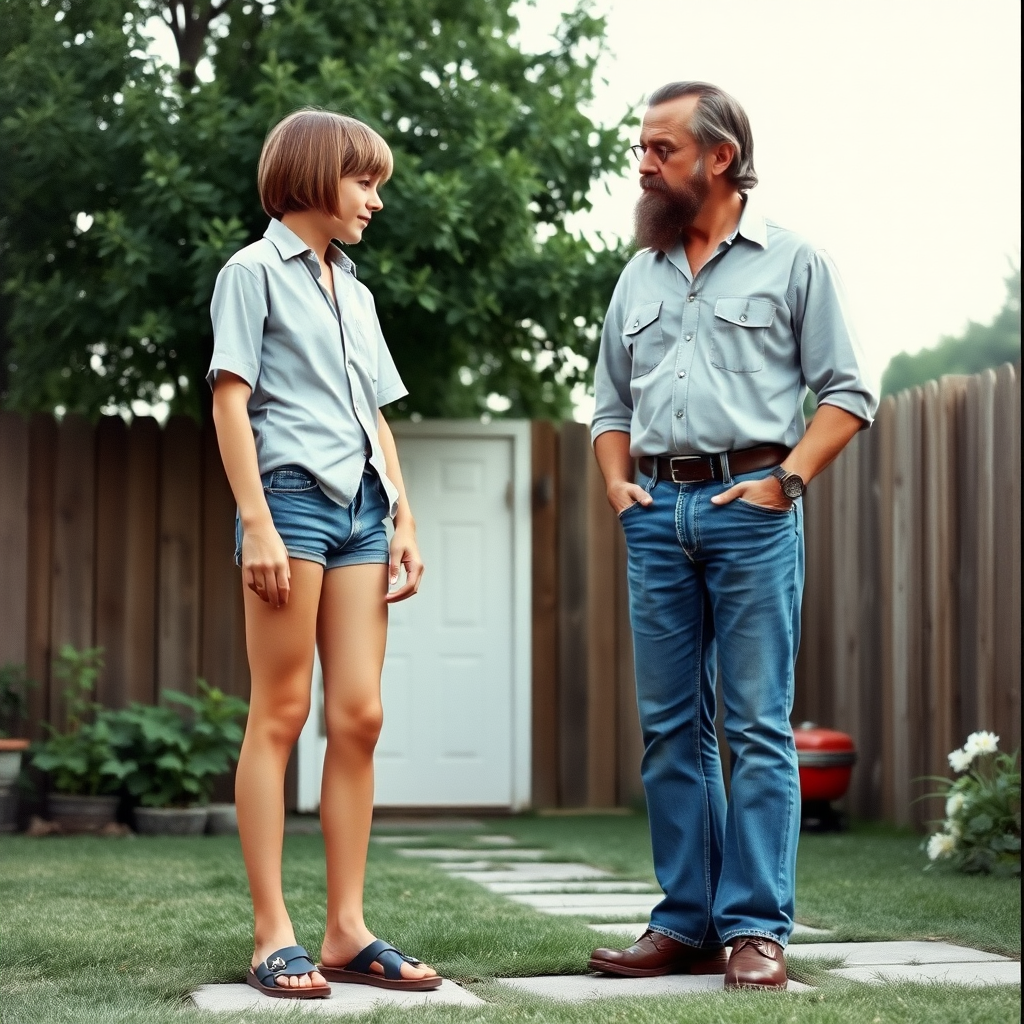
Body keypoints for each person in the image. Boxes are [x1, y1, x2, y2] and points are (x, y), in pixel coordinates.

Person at [587, 82, 878, 989]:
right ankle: (685, 923)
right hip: (658, 518)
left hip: (750, 515)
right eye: (641, 148)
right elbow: (608, 405)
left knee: (754, 726)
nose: (644, 164)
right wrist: (617, 486)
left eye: (661, 148)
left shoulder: (794, 263)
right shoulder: (639, 273)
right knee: (671, 731)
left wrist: (784, 483)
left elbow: (848, 395)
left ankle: (756, 929)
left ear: (719, 156)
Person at [208, 108, 440, 999]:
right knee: (280, 711)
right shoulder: (251, 272)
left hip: (363, 514)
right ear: (312, 175)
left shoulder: (358, 290)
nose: (375, 200)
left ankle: (347, 930)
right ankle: (275, 934)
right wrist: (257, 521)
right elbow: (233, 403)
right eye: (364, 181)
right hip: (292, 507)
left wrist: (406, 518)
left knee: (360, 716)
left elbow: (375, 415)